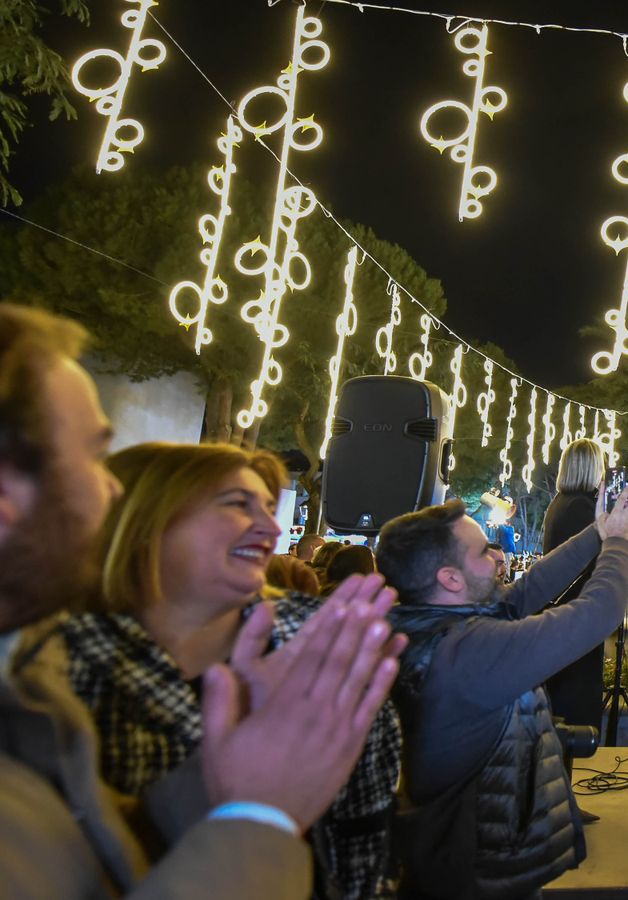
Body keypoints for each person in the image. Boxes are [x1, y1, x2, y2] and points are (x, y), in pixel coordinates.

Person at [0, 303, 401, 898]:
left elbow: (109, 849)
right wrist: (259, 817)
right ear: (149, 522)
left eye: (269, 506)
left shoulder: (27, 685)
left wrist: (240, 768)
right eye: (90, 454)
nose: (107, 485)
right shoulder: (61, 653)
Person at [61, 443, 404, 900]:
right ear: (146, 522)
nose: (271, 527)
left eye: (267, 506)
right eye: (237, 505)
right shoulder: (54, 660)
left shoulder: (318, 642)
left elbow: (366, 827)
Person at [376, 492, 628, 899]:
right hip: (477, 870)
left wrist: (598, 534)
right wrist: (620, 542)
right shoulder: (466, 652)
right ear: (450, 579)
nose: (499, 560)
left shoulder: (438, 624)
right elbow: (596, 613)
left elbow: (524, 593)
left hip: (473, 854)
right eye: (484, 553)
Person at [539, 438, 608, 823]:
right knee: (571, 709)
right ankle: (561, 800)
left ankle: (559, 796)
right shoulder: (581, 508)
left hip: (560, 619)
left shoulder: (558, 505)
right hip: (576, 621)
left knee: (561, 708)